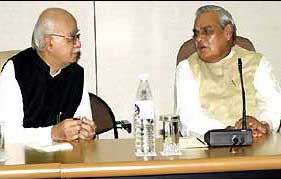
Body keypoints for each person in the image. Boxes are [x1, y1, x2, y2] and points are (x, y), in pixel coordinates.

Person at [175, 5, 281, 139]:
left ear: (228, 32)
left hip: (255, 144)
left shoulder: (256, 62)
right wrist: (227, 132)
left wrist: (263, 124)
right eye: (196, 33)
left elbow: (272, 103)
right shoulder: (187, 67)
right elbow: (189, 116)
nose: (199, 39)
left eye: (207, 31)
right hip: (208, 148)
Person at [0, 8, 96, 144]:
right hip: (23, 161)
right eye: (72, 38)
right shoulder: (16, 70)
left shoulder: (77, 74)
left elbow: (83, 118)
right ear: (49, 42)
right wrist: (52, 133)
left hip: (66, 160)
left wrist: (85, 132)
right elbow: (6, 134)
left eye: (77, 37)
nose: (78, 44)